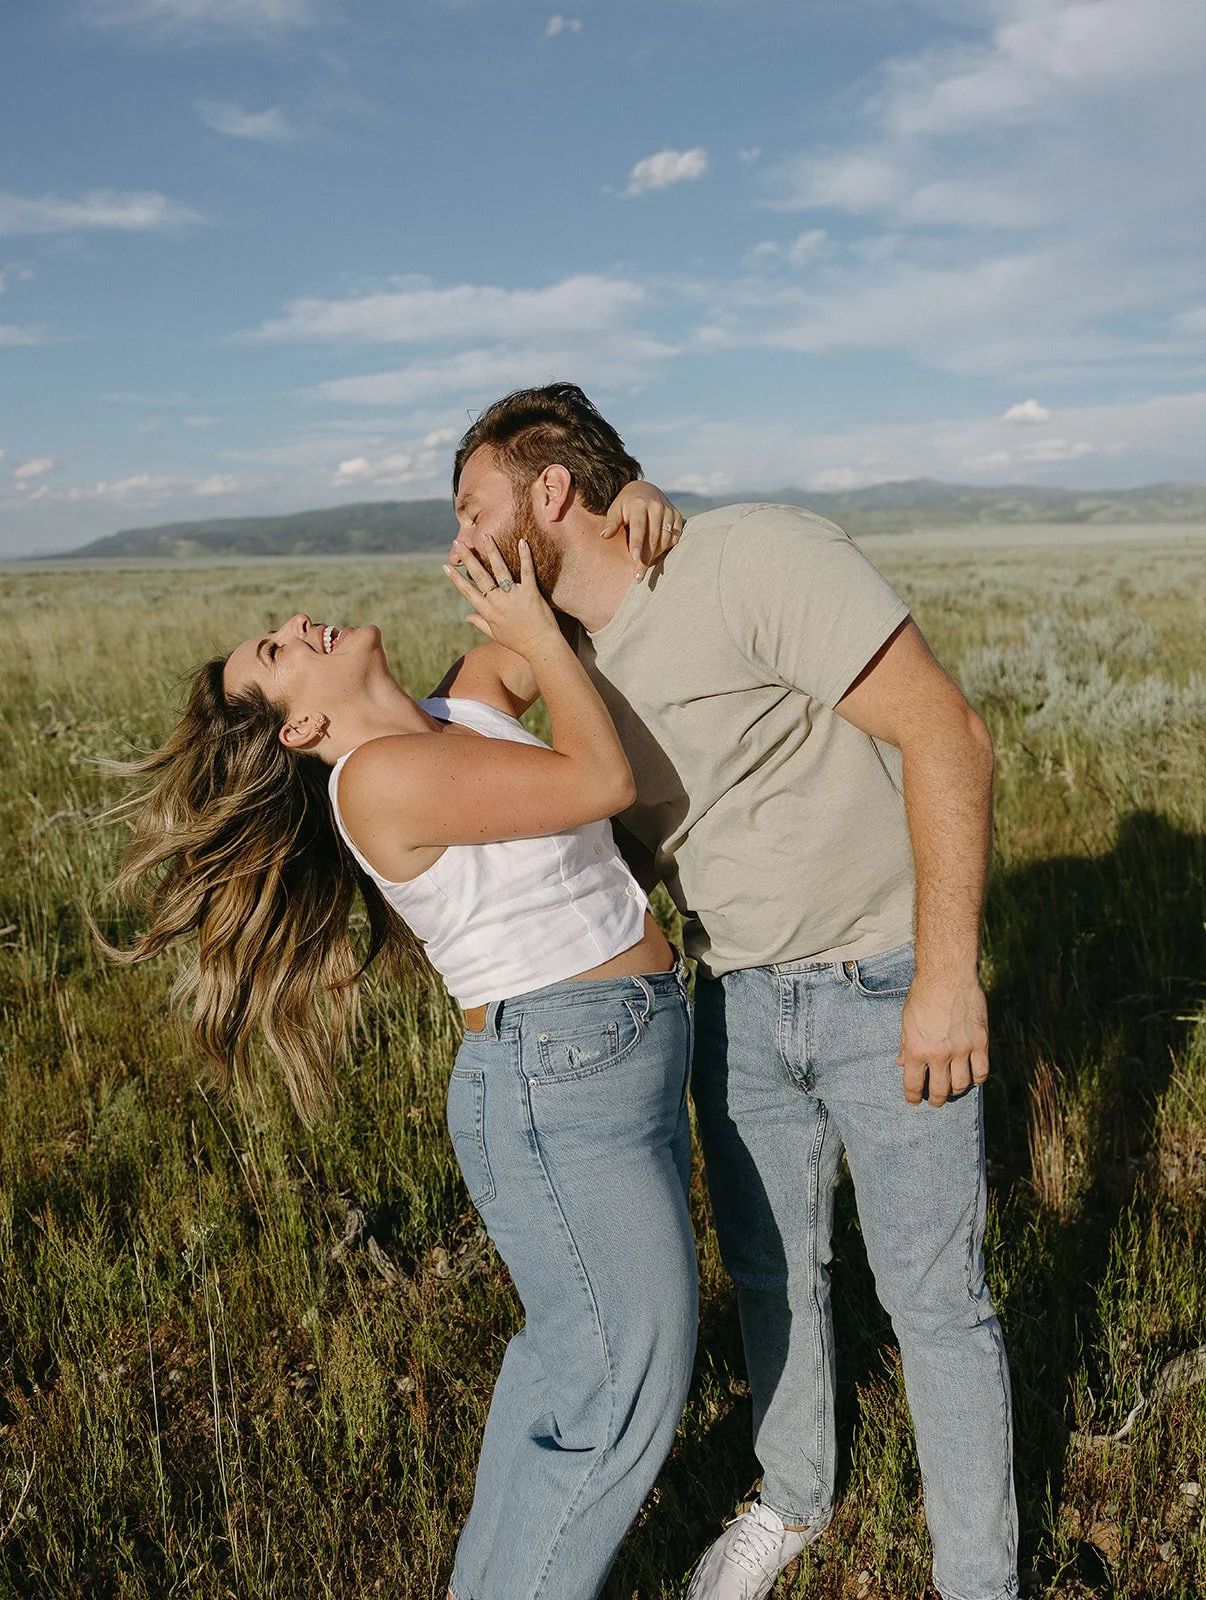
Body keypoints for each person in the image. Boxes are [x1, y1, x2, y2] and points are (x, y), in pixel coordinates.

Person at [448, 385, 1018, 1600]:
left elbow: (949, 734)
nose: (457, 545)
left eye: (473, 508)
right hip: (737, 1001)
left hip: (884, 979)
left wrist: (949, 974)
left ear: (553, 491)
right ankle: (797, 1494)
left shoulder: (753, 554)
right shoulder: (573, 654)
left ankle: (980, 1579)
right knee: (771, 1270)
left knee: (933, 1296)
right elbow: (459, 703)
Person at [100, 485, 699, 1600]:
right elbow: (599, 779)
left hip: (597, 1070)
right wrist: (527, 641)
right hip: (556, 1088)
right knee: (622, 1380)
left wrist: (624, 510)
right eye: (277, 652)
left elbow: (554, 620)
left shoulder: (451, 715)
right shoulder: (376, 781)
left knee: (575, 1364)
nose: (299, 624)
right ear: (300, 729)